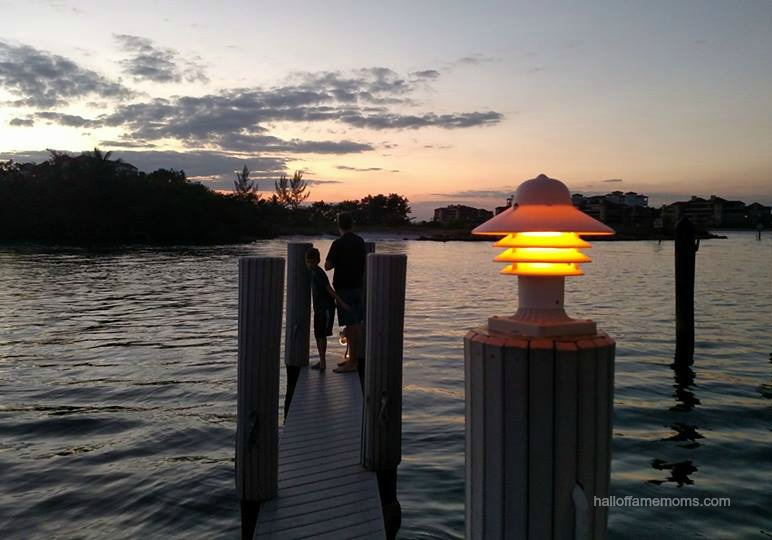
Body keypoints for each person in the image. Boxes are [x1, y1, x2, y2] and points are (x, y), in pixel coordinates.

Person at [325, 212, 366, 374]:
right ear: (352, 224)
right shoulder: (360, 241)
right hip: (358, 287)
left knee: (352, 326)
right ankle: (352, 359)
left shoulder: (338, 243)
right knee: (354, 324)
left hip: (344, 289)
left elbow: (328, 266)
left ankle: (353, 362)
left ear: (339, 225)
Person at [305, 247, 348, 371]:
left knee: (322, 335)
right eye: (307, 261)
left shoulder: (319, 273)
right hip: (318, 309)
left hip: (325, 309)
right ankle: (321, 360)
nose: (309, 264)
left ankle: (323, 362)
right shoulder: (312, 272)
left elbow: (329, 289)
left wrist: (340, 302)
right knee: (318, 334)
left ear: (318, 261)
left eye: (312, 261)